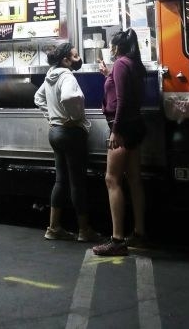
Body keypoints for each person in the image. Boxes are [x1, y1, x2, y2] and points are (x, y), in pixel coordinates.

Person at [34, 42, 102, 243]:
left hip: (55, 132)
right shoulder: (66, 76)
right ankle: (84, 230)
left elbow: (38, 98)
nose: (78, 58)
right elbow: (70, 97)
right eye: (75, 55)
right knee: (77, 183)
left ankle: (53, 228)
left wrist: (52, 117)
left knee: (60, 181)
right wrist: (75, 117)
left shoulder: (50, 75)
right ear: (65, 60)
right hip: (71, 133)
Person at [92, 28, 148, 256]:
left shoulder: (122, 64)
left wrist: (115, 131)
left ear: (117, 47)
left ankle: (117, 240)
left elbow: (122, 100)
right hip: (134, 125)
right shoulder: (132, 64)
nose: (110, 48)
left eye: (112, 45)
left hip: (121, 127)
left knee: (111, 179)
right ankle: (140, 234)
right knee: (134, 180)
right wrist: (108, 75)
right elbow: (123, 92)